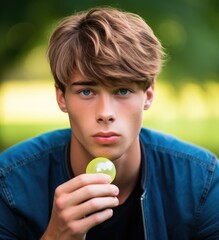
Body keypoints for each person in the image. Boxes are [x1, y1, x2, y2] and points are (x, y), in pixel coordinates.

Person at [0, 6, 219, 240]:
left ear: (149, 94)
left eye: (122, 90)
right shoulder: (10, 182)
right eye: (86, 92)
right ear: (61, 97)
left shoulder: (200, 182)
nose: (105, 113)